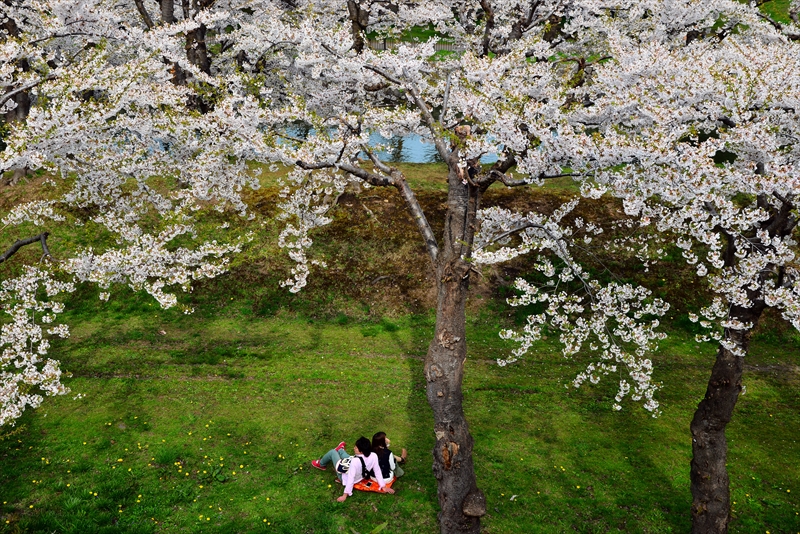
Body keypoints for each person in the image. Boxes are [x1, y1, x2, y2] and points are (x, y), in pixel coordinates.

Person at [311, 436, 395, 501]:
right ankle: (340, 450)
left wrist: (345, 495)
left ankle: (321, 464)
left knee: (332, 452)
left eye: (356, 447)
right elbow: (377, 471)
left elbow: (350, 478)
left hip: (345, 476)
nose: (354, 448)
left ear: (361, 451)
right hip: (360, 474)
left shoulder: (355, 461)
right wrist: (383, 486)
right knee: (349, 458)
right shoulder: (373, 455)